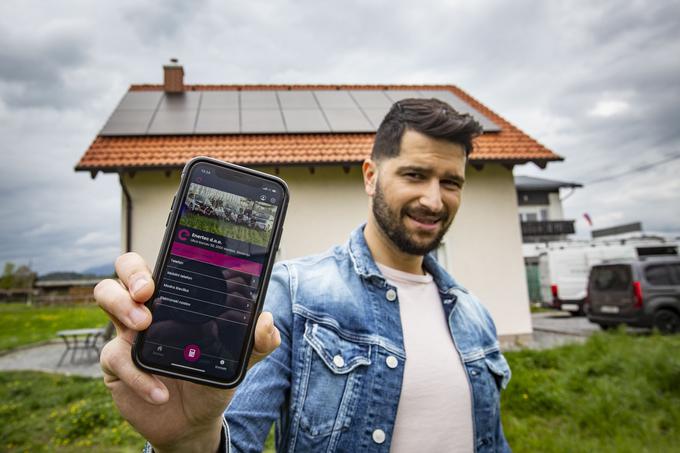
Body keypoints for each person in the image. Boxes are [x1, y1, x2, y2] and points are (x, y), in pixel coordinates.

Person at [94, 98, 512, 453]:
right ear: (371, 176)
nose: (434, 199)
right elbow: (236, 440)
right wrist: (191, 441)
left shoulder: (475, 316)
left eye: (451, 182)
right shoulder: (294, 294)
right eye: (415, 175)